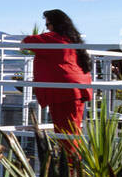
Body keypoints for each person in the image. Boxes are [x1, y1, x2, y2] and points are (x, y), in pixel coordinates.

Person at [22, 9, 93, 139]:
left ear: (55, 25)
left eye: (47, 25)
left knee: (65, 134)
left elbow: (26, 42)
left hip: (63, 91)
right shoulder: (72, 39)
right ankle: (72, 158)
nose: (47, 29)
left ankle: (70, 159)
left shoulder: (53, 39)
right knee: (73, 131)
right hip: (77, 88)